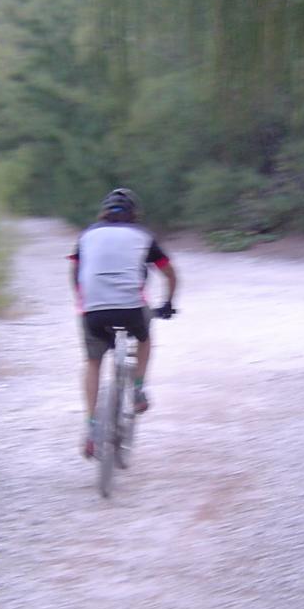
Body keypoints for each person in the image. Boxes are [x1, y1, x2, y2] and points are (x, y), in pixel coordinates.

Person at [70, 188, 177, 459]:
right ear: (133, 214)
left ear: (103, 213)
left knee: (93, 362)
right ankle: (138, 389)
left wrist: (83, 300)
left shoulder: (87, 235)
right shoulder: (143, 235)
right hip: (131, 309)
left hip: (93, 310)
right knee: (144, 337)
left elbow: (75, 271)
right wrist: (168, 303)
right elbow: (169, 272)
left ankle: (92, 426)